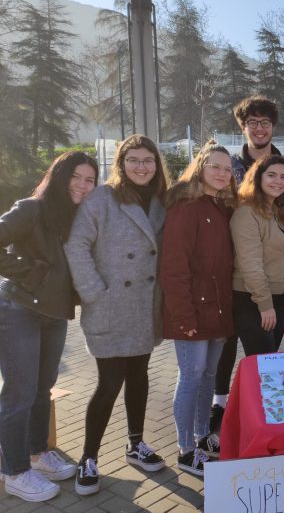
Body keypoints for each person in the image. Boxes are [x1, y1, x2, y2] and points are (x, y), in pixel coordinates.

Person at [64, 135, 169, 496]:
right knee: (109, 383)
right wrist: (93, 292)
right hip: (110, 305)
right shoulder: (102, 199)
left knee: (139, 375)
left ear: (157, 165)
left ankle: (135, 444)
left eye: (148, 160)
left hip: (143, 305)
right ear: (121, 163)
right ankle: (88, 457)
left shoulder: (160, 201)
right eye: (134, 160)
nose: (141, 166)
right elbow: (76, 244)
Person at [0, 152, 97, 502]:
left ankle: (37, 454)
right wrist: (29, 271)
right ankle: (13, 471)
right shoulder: (31, 208)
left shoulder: (79, 216)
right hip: (18, 309)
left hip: (55, 313)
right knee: (19, 393)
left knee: (43, 388)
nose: (83, 186)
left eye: (90, 180)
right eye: (77, 177)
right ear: (59, 176)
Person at [210, 95, 284, 432]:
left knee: (262, 358)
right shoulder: (228, 166)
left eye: (265, 122)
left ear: (273, 128)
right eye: (253, 123)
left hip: (270, 281)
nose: (259, 128)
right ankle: (222, 407)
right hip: (236, 277)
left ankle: (251, 414)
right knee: (227, 346)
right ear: (243, 127)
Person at [159, 141, 237, 477]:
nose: (221, 174)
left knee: (208, 376)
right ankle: (185, 449)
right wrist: (183, 316)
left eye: (227, 169)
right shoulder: (186, 207)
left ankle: (202, 434)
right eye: (215, 166)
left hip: (219, 311)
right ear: (200, 167)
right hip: (193, 311)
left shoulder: (223, 207)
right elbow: (173, 267)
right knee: (191, 376)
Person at [230, 155, 284, 356]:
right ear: (257, 178)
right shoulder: (246, 213)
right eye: (272, 175)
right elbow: (250, 264)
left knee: (269, 363)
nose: (278, 181)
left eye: (283, 176)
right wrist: (265, 304)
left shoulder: (276, 211)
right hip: (253, 301)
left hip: (280, 297)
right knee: (262, 364)